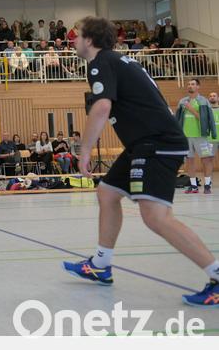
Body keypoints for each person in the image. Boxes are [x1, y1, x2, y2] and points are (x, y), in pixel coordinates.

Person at [62, 16, 219, 307]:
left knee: (156, 217)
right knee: (107, 192)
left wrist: (84, 150)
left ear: (90, 40)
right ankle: (101, 264)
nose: (73, 40)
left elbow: (102, 106)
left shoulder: (100, 62)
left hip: (157, 144)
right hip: (143, 144)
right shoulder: (118, 61)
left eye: (77, 35)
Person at [175, 79, 216, 194]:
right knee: (189, 161)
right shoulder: (182, 101)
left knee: (206, 160)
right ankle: (193, 186)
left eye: (193, 84)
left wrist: (191, 108)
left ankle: (207, 185)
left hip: (200, 136)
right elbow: (177, 119)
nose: (190, 86)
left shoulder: (203, 101)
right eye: (188, 84)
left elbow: (205, 119)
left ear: (198, 87)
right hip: (186, 136)